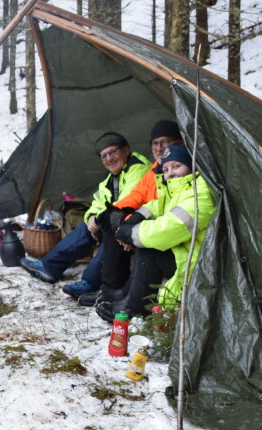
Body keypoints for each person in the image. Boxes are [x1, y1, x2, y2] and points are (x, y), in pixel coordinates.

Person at [96, 144, 216, 322]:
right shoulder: (175, 189)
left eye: (177, 166)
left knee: (149, 247)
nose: (170, 173)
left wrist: (129, 233)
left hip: (199, 265)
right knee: (127, 233)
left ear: (192, 167)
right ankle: (128, 295)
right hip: (183, 254)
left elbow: (165, 230)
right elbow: (155, 206)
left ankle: (134, 309)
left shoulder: (201, 194)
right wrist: (133, 219)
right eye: (166, 169)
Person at [19, 132, 150, 291]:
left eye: (113, 152)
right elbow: (99, 201)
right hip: (117, 219)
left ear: (126, 150)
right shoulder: (110, 177)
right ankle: (49, 267)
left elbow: (127, 204)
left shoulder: (138, 169)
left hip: (137, 223)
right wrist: (92, 217)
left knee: (110, 231)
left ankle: (90, 282)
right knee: (87, 227)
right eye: (104, 156)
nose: (109, 159)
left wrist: (100, 219)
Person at [74, 120, 184, 306]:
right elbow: (137, 196)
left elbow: (166, 210)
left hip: (166, 229)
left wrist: (128, 226)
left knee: (121, 229)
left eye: (165, 142)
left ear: (180, 142)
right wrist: (116, 214)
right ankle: (109, 291)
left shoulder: (183, 169)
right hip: (151, 220)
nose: (159, 148)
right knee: (111, 221)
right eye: (155, 144)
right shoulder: (154, 170)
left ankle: (119, 295)